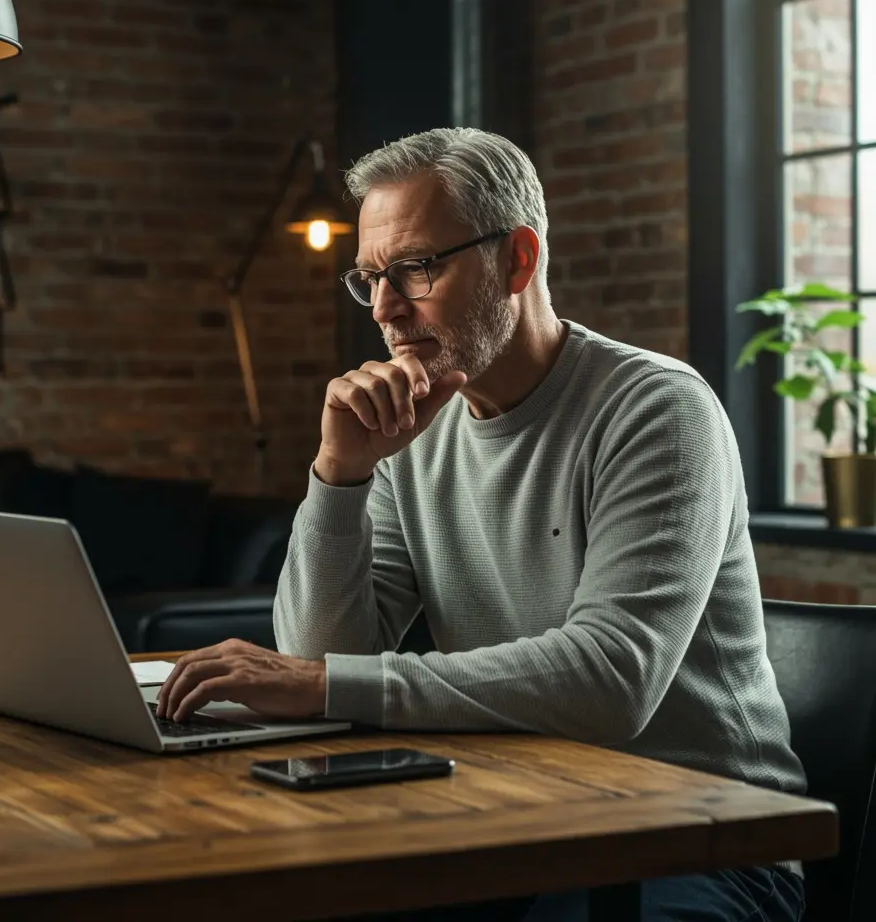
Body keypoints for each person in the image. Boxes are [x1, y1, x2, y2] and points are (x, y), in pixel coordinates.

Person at [156, 128, 807, 922]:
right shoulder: (410, 432)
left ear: (519, 261)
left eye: (417, 268)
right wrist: (340, 476)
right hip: (511, 815)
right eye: (371, 279)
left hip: (700, 837)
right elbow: (322, 661)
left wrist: (324, 684)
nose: (388, 309)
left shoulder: (659, 410)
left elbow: (612, 681)